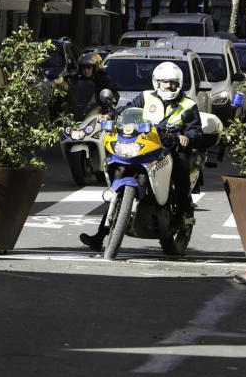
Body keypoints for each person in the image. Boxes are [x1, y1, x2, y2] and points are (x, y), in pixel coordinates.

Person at [79, 61, 202, 252]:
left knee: (181, 172)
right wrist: (110, 115)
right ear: (156, 82)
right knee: (119, 174)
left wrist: (186, 137)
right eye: (164, 82)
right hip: (145, 146)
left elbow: (195, 130)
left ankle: (183, 215)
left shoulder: (188, 104)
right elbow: (126, 111)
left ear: (179, 84)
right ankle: (100, 235)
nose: (168, 86)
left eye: (172, 83)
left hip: (170, 149)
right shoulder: (145, 98)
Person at [66, 52, 118, 118]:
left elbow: (112, 91)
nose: (86, 70)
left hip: (98, 111)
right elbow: (70, 93)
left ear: (95, 67)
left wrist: (112, 98)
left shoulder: (103, 78)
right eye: (83, 68)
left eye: (88, 67)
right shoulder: (76, 79)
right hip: (80, 111)